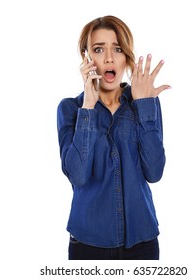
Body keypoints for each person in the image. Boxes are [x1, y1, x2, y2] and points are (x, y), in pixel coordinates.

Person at [56, 15, 171, 260]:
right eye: (99, 49)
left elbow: (155, 172)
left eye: (117, 49)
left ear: (126, 57)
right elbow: (77, 174)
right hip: (88, 244)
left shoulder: (144, 104)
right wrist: (88, 106)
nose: (109, 57)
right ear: (87, 58)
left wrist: (145, 106)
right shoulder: (70, 109)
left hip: (142, 243)